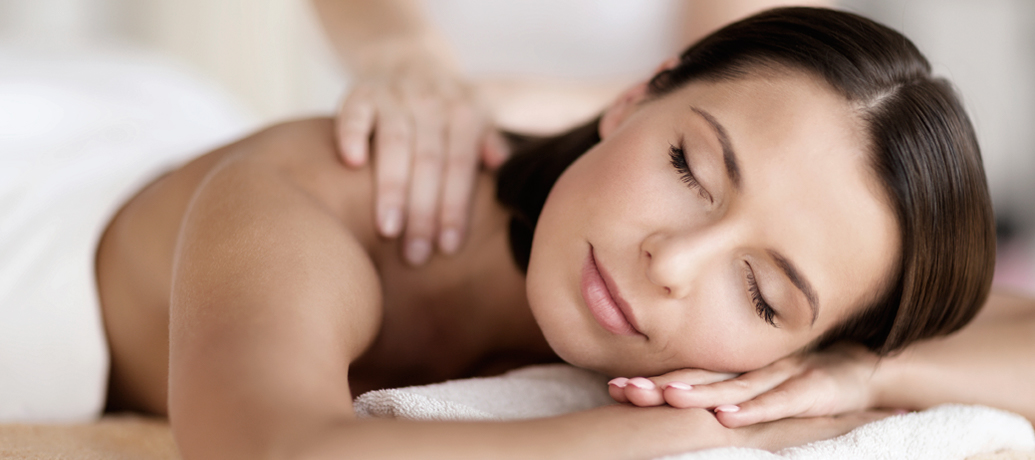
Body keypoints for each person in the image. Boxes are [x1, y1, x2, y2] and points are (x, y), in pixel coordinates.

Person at [92, 7, 1033, 459]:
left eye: (762, 294)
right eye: (687, 168)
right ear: (630, 100)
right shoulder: (315, 200)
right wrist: (678, 435)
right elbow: (279, 455)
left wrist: (867, 371)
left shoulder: (828, 315)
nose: (671, 261)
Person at [311, 0, 830, 266]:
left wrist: (494, 104)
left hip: (598, 154)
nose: (671, 265)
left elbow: (746, 88)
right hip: (400, 120)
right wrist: (407, 60)